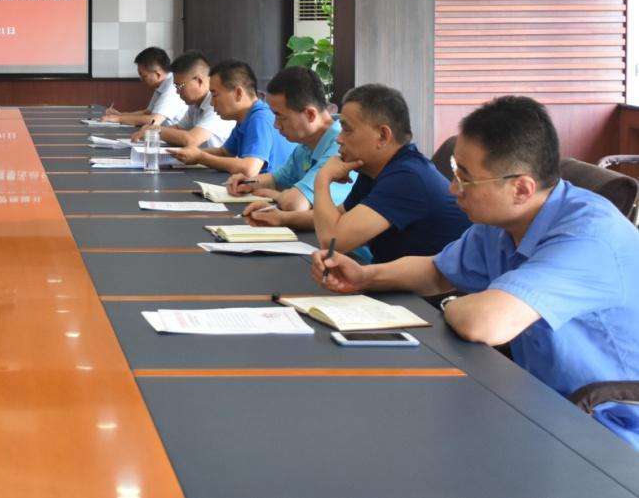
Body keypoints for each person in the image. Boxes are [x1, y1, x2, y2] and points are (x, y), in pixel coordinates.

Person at [313, 96, 639, 449]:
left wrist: (452, 305)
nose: (453, 189)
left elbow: (483, 323)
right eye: (456, 172)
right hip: (538, 402)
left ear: (521, 188)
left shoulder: (588, 237)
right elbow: (436, 270)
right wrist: (365, 276)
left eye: (465, 179)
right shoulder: (502, 222)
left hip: (606, 430)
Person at [313, 83, 470, 262]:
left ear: (382, 136)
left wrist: (322, 179)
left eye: (347, 130)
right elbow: (337, 217)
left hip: (437, 280)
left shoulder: (408, 177)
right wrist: (286, 218)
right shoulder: (374, 170)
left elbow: (333, 242)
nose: (339, 139)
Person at [233, 66, 352, 229]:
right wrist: (247, 182)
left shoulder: (342, 144)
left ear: (310, 114)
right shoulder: (307, 143)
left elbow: (295, 204)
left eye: (280, 117)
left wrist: (275, 195)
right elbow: (277, 180)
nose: (276, 125)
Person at [167, 59, 295, 177]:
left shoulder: (259, 119)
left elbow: (249, 169)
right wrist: (191, 152)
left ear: (238, 93)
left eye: (215, 94)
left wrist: (200, 157)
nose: (211, 102)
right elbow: (225, 152)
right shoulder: (245, 119)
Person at [132, 50, 234, 149]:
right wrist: (152, 131)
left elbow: (192, 139)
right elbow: (179, 128)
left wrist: (156, 131)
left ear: (198, 81)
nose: (177, 92)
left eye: (179, 86)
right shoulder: (195, 104)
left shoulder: (216, 102)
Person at [101, 47, 188, 128]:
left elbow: (153, 120)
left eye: (143, 75)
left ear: (157, 74)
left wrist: (119, 119)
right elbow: (147, 112)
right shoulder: (162, 85)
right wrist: (121, 115)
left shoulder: (172, 87)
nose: (141, 79)